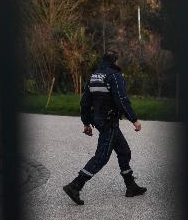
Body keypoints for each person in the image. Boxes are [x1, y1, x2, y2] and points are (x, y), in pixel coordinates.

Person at [63, 50, 146, 205]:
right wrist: (134, 120)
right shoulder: (114, 76)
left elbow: (85, 102)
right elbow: (122, 99)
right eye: (118, 61)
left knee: (124, 151)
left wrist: (86, 122)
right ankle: (75, 185)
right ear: (115, 61)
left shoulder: (94, 76)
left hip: (99, 120)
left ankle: (131, 186)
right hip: (109, 121)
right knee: (101, 157)